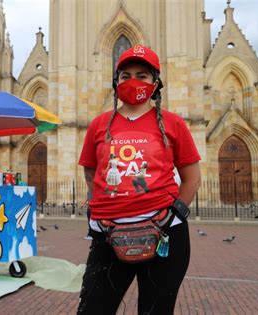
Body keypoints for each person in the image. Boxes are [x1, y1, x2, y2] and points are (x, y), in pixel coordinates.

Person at [77, 44, 201, 314]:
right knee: (93, 308)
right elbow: (90, 171)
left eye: (142, 75)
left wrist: (175, 214)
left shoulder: (173, 123)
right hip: (108, 237)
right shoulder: (99, 124)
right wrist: (100, 209)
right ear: (116, 81)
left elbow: (192, 177)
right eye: (125, 75)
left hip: (165, 235)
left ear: (155, 83)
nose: (133, 81)